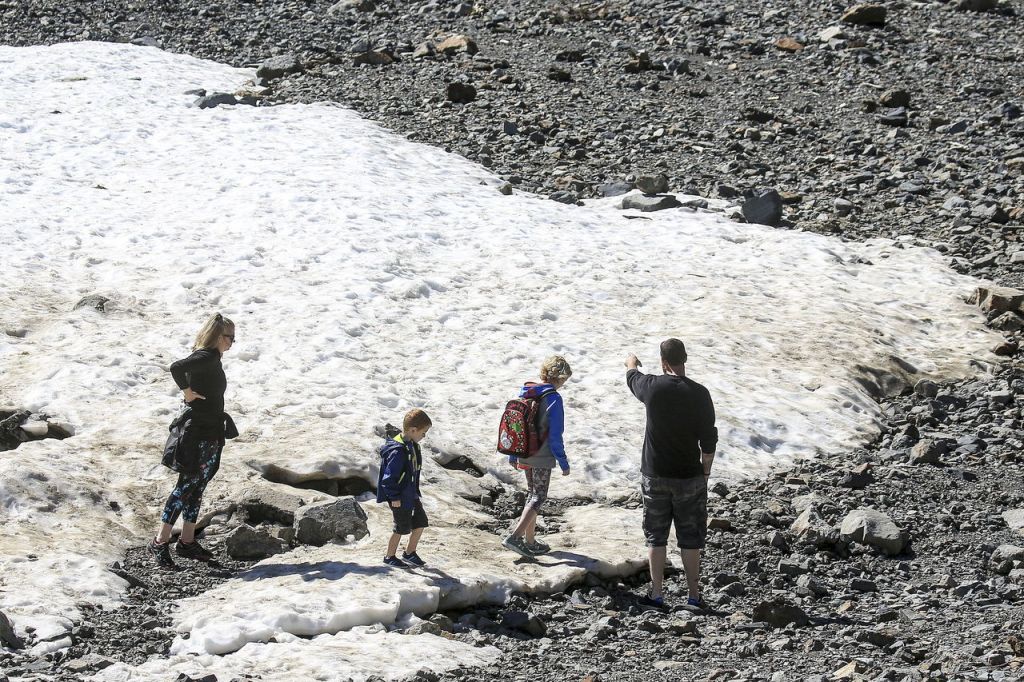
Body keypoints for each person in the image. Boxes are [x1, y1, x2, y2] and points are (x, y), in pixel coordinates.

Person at [625, 339, 717, 609]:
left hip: (655, 474)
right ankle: (693, 595)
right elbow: (709, 439)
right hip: (689, 475)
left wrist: (631, 362)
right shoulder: (700, 393)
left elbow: (632, 378)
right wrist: (706, 470)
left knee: (656, 535)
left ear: (663, 362)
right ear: (684, 359)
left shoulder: (652, 387)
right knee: (690, 537)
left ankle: (656, 593)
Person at [149, 313, 236, 568]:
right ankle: (160, 541)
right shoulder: (207, 356)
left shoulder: (212, 358)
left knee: (197, 487)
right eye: (231, 337)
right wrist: (187, 392)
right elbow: (177, 367)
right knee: (185, 487)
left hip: (209, 431)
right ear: (219, 337)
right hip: (197, 434)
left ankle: (187, 541)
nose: (233, 342)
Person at [501, 355, 572, 558]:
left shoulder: (527, 392)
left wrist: (513, 455)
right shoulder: (554, 398)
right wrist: (563, 461)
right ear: (559, 378)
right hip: (541, 454)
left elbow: (515, 425)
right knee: (539, 496)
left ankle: (529, 541)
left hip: (523, 451)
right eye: (564, 380)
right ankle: (515, 537)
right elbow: (555, 434)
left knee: (532, 494)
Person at [377, 408, 433, 568]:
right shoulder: (398, 451)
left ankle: (409, 553)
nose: (424, 436)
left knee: (420, 522)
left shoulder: (412, 445)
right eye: (423, 432)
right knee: (401, 527)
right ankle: (389, 556)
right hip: (399, 497)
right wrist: (394, 497)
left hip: (411, 494)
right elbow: (388, 479)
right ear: (413, 430)